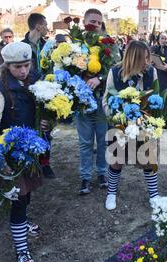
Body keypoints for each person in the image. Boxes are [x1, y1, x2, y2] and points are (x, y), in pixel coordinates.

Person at [0, 42, 48, 262]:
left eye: (26, 65)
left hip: (29, 149)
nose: (23, 71)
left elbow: (35, 110)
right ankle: (22, 250)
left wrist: (45, 120)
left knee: (27, 195)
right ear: (7, 66)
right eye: (18, 66)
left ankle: (24, 221)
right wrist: (0, 159)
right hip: (9, 154)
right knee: (18, 200)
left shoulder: (32, 80)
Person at [102, 40, 160, 211]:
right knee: (116, 160)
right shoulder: (115, 72)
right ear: (134, 58)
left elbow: (156, 97)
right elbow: (106, 99)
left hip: (144, 124)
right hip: (120, 125)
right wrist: (116, 118)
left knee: (149, 159)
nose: (148, 62)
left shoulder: (152, 72)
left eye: (149, 58)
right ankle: (111, 193)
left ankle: (154, 195)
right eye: (145, 58)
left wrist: (153, 120)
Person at [75, 8, 116, 195]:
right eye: (92, 21)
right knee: (84, 142)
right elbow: (64, 67)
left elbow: (116, 68)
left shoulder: (109, 43)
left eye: (99, 22)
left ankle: (101, 173)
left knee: (102, 140)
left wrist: (99, 78)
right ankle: (85, 177)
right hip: (81, 101)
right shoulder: (76, 43)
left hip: (101, 100)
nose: (95, 25)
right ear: (84, 22)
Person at [22, 13, 55, 179]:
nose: (47, 28)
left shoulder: (48, 46)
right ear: (38, 26)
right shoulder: (22, 47)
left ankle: (45, 163)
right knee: (31, 126)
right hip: (29, 94)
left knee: (46, 127)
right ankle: (30, 161)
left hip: (47, 92)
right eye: (46, 24)